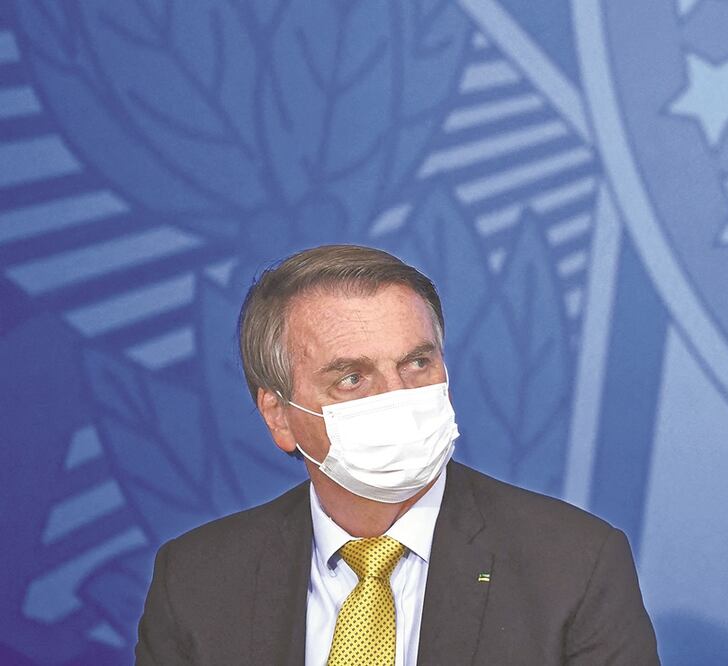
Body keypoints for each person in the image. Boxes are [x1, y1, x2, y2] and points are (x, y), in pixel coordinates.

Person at [135, 245, 659, 665]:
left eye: (416, 363)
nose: (397, 395)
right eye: (352, 377)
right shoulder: (197, 581)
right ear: (278, 415)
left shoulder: (574, 565)